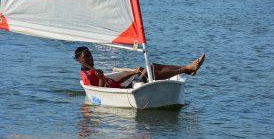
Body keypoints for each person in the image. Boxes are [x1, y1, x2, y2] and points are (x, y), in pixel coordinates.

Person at [74, 46, 205, 88]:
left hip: (126, 87)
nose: (91, 58)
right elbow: (101, 91)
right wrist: (101, 78)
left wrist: (133, 73)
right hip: (127, 92)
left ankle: (187, 68)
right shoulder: (87, 76)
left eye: (91, 55)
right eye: (87, 57)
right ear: (80, 60)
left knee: (151, 66)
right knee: (151, 72)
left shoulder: (94, 72)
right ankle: (188, 69)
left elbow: (114, 82)